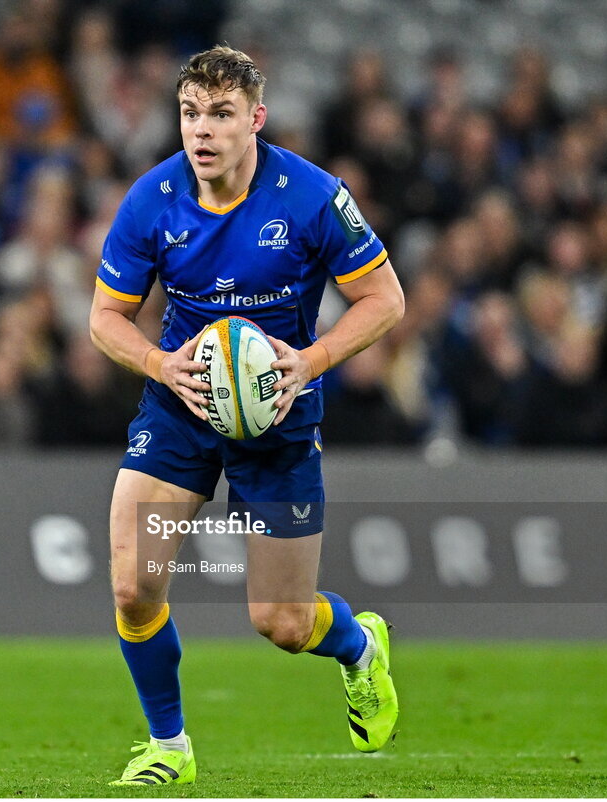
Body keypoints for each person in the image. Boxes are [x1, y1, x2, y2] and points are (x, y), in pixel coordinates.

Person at [89, 46, 405, 786]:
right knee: (134, 586)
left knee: (283, 624)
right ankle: (169, 746)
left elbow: (386, 300)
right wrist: (161, 365)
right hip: (182, 404)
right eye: (190, 113)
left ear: (255, 120)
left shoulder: (312, 197)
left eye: (221, 114)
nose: (202, 131)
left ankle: (358, 646)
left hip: (279, 413)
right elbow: (106, 319)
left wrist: (312, 359)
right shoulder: (152, 200)